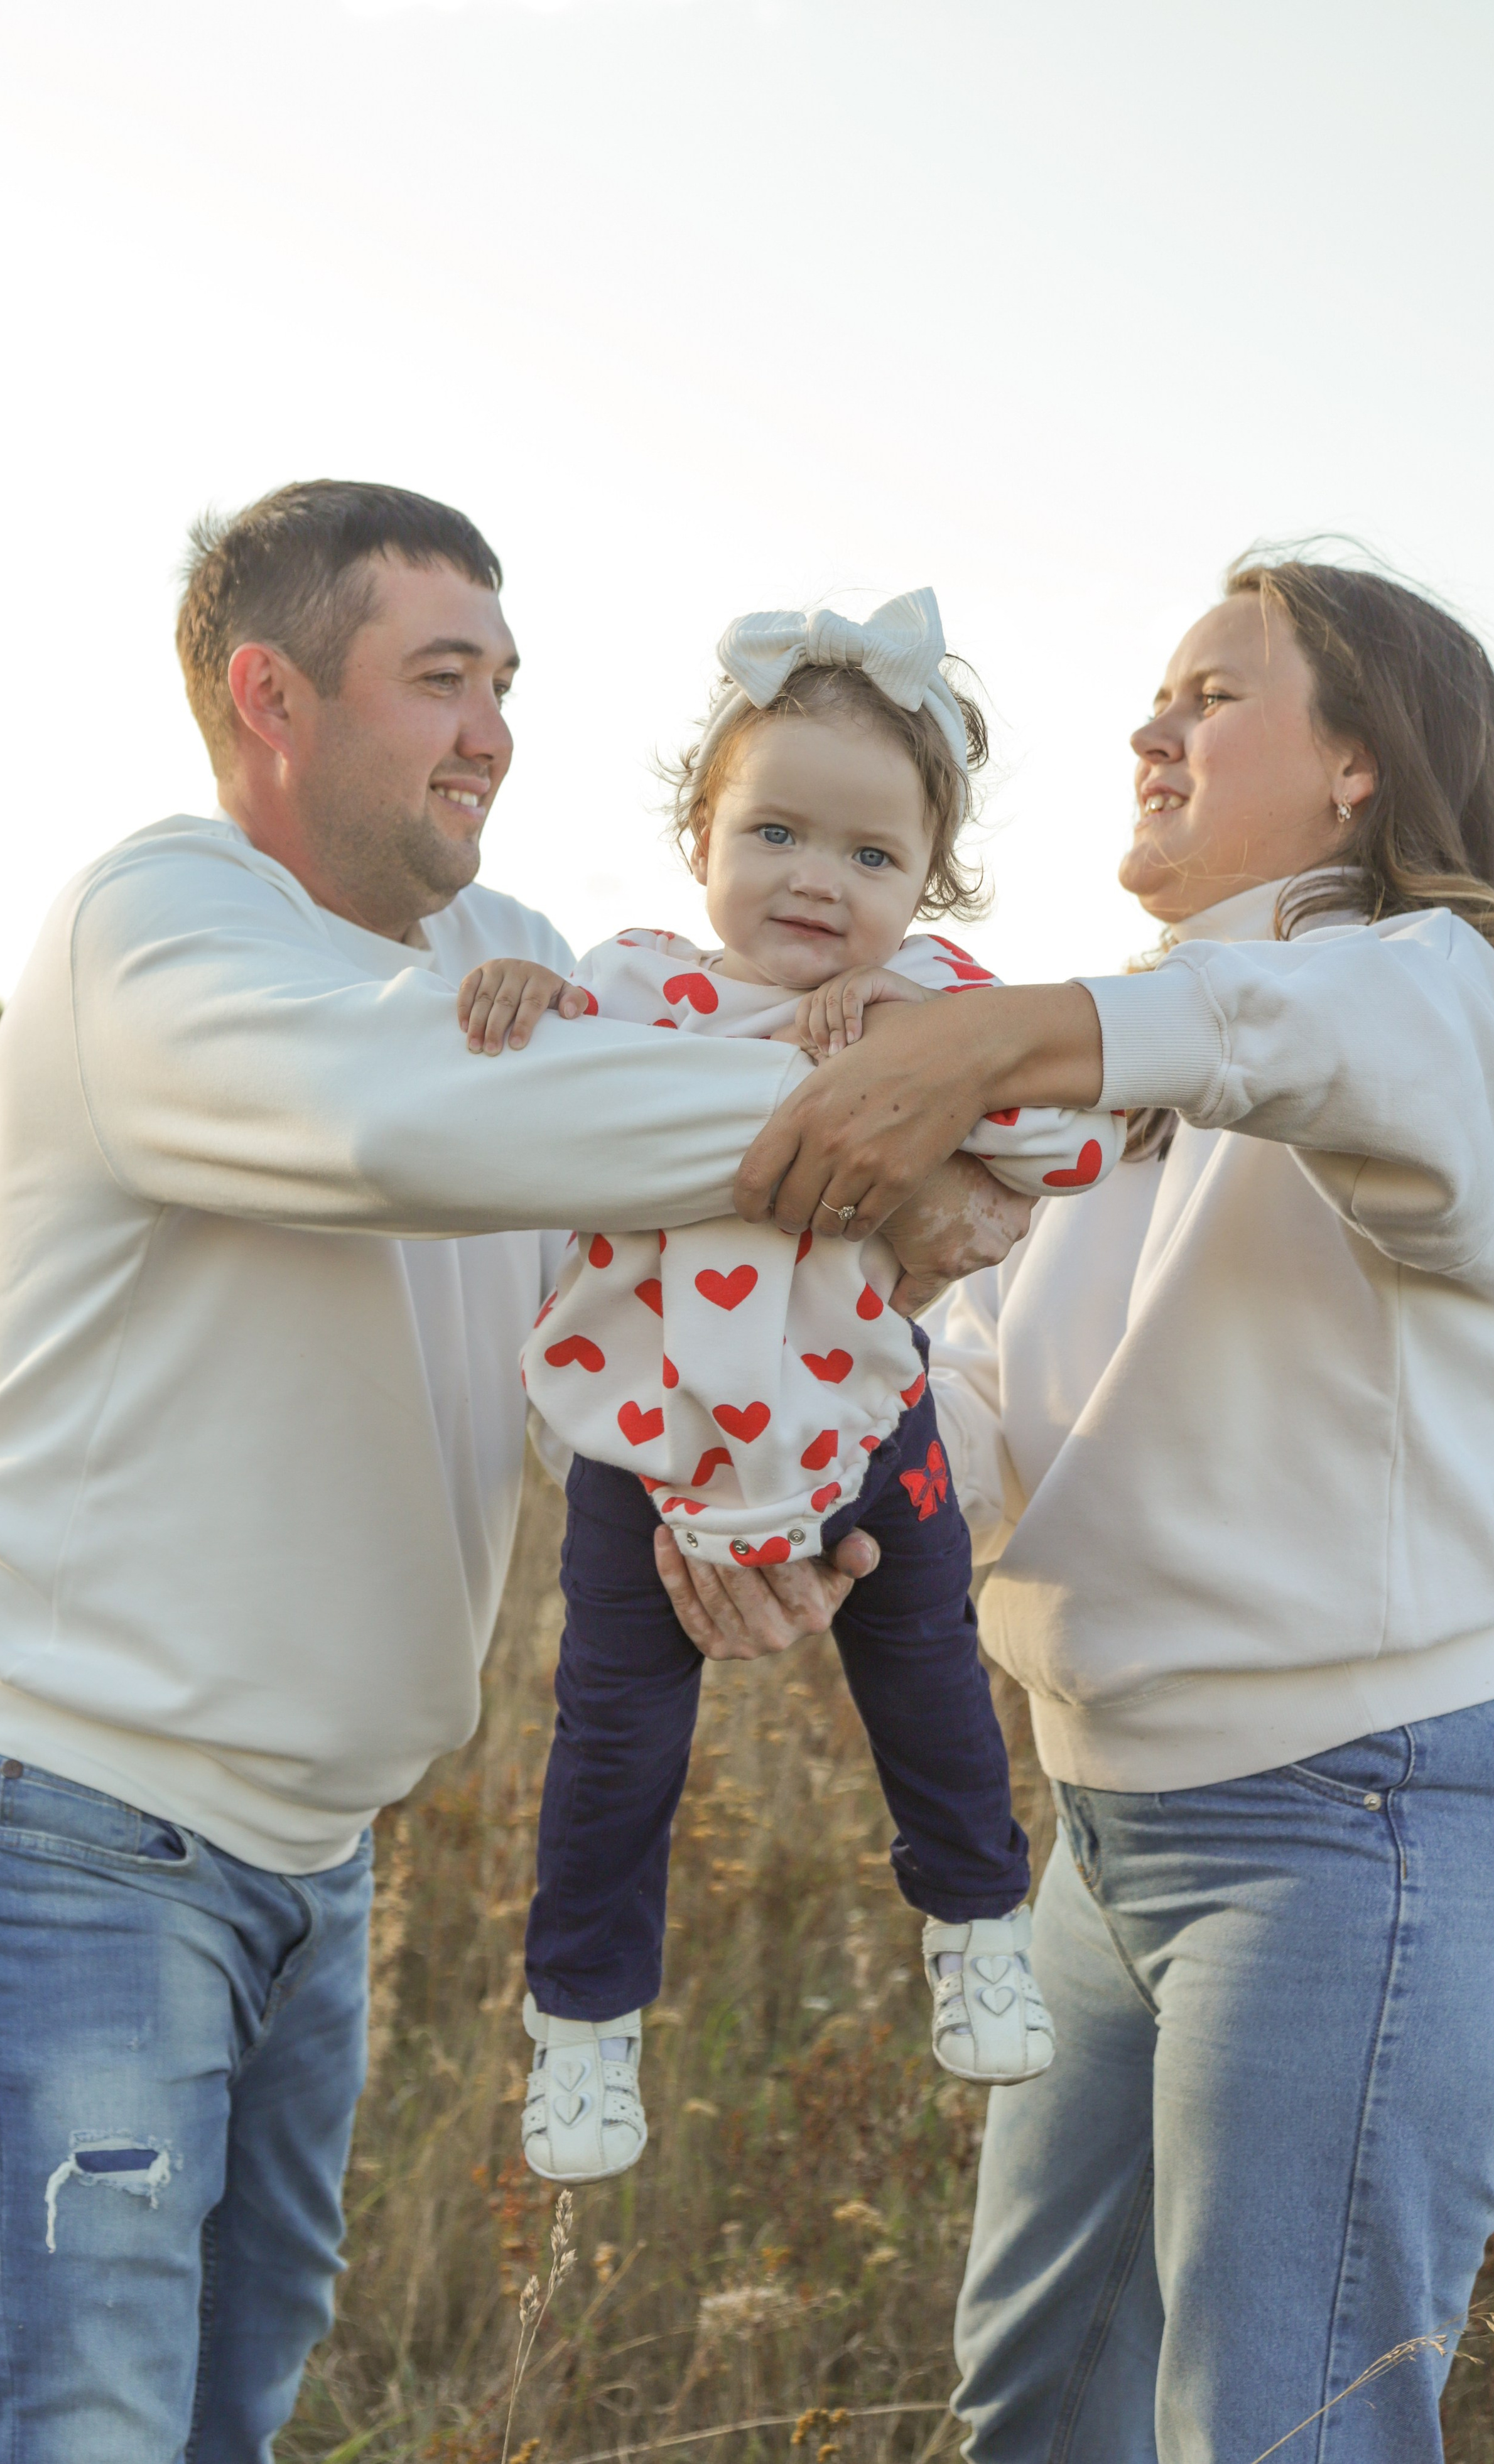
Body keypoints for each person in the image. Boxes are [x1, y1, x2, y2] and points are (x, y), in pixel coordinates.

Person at [0, 480, 1033, 2460]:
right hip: (78, 1813)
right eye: (443, 678)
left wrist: (740, 1504)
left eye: (507, 682)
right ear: (271, 695)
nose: (495, 732)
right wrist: (911, 1108)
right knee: (89, 2417)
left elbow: (643, 1281)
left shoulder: (521, 957)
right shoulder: (156, 925)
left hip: (317, 1841)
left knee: (234, 2398)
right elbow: (400, 1125)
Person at [902, 556, 1494, 2463]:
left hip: (1350, 1820)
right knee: (1036, 2409)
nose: (1149, 729)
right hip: (1100, 1832)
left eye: (1212, 693)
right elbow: (981, 1393)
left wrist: (998, 1034)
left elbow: (1296, 1027)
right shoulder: (1115, 1072)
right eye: (1161, 693)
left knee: (1280, 2429)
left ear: (1358, 766)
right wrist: (810, 1494)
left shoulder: (1430, 991)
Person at [462, 590, 1125, 2181]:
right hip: (647, 1443)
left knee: (933, 1688)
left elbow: (1067, 1142)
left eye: (870, 855)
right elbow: (514, 1096)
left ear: (928, 881)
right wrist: (520, 1005)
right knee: (613, 1740)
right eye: (773, 833)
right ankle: (583, 2024)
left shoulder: (946, 1002)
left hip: (866, 1422)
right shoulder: (636, 984)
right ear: (697, 837)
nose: (817, 879)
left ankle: (976, 1927)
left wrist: (923, 1039)